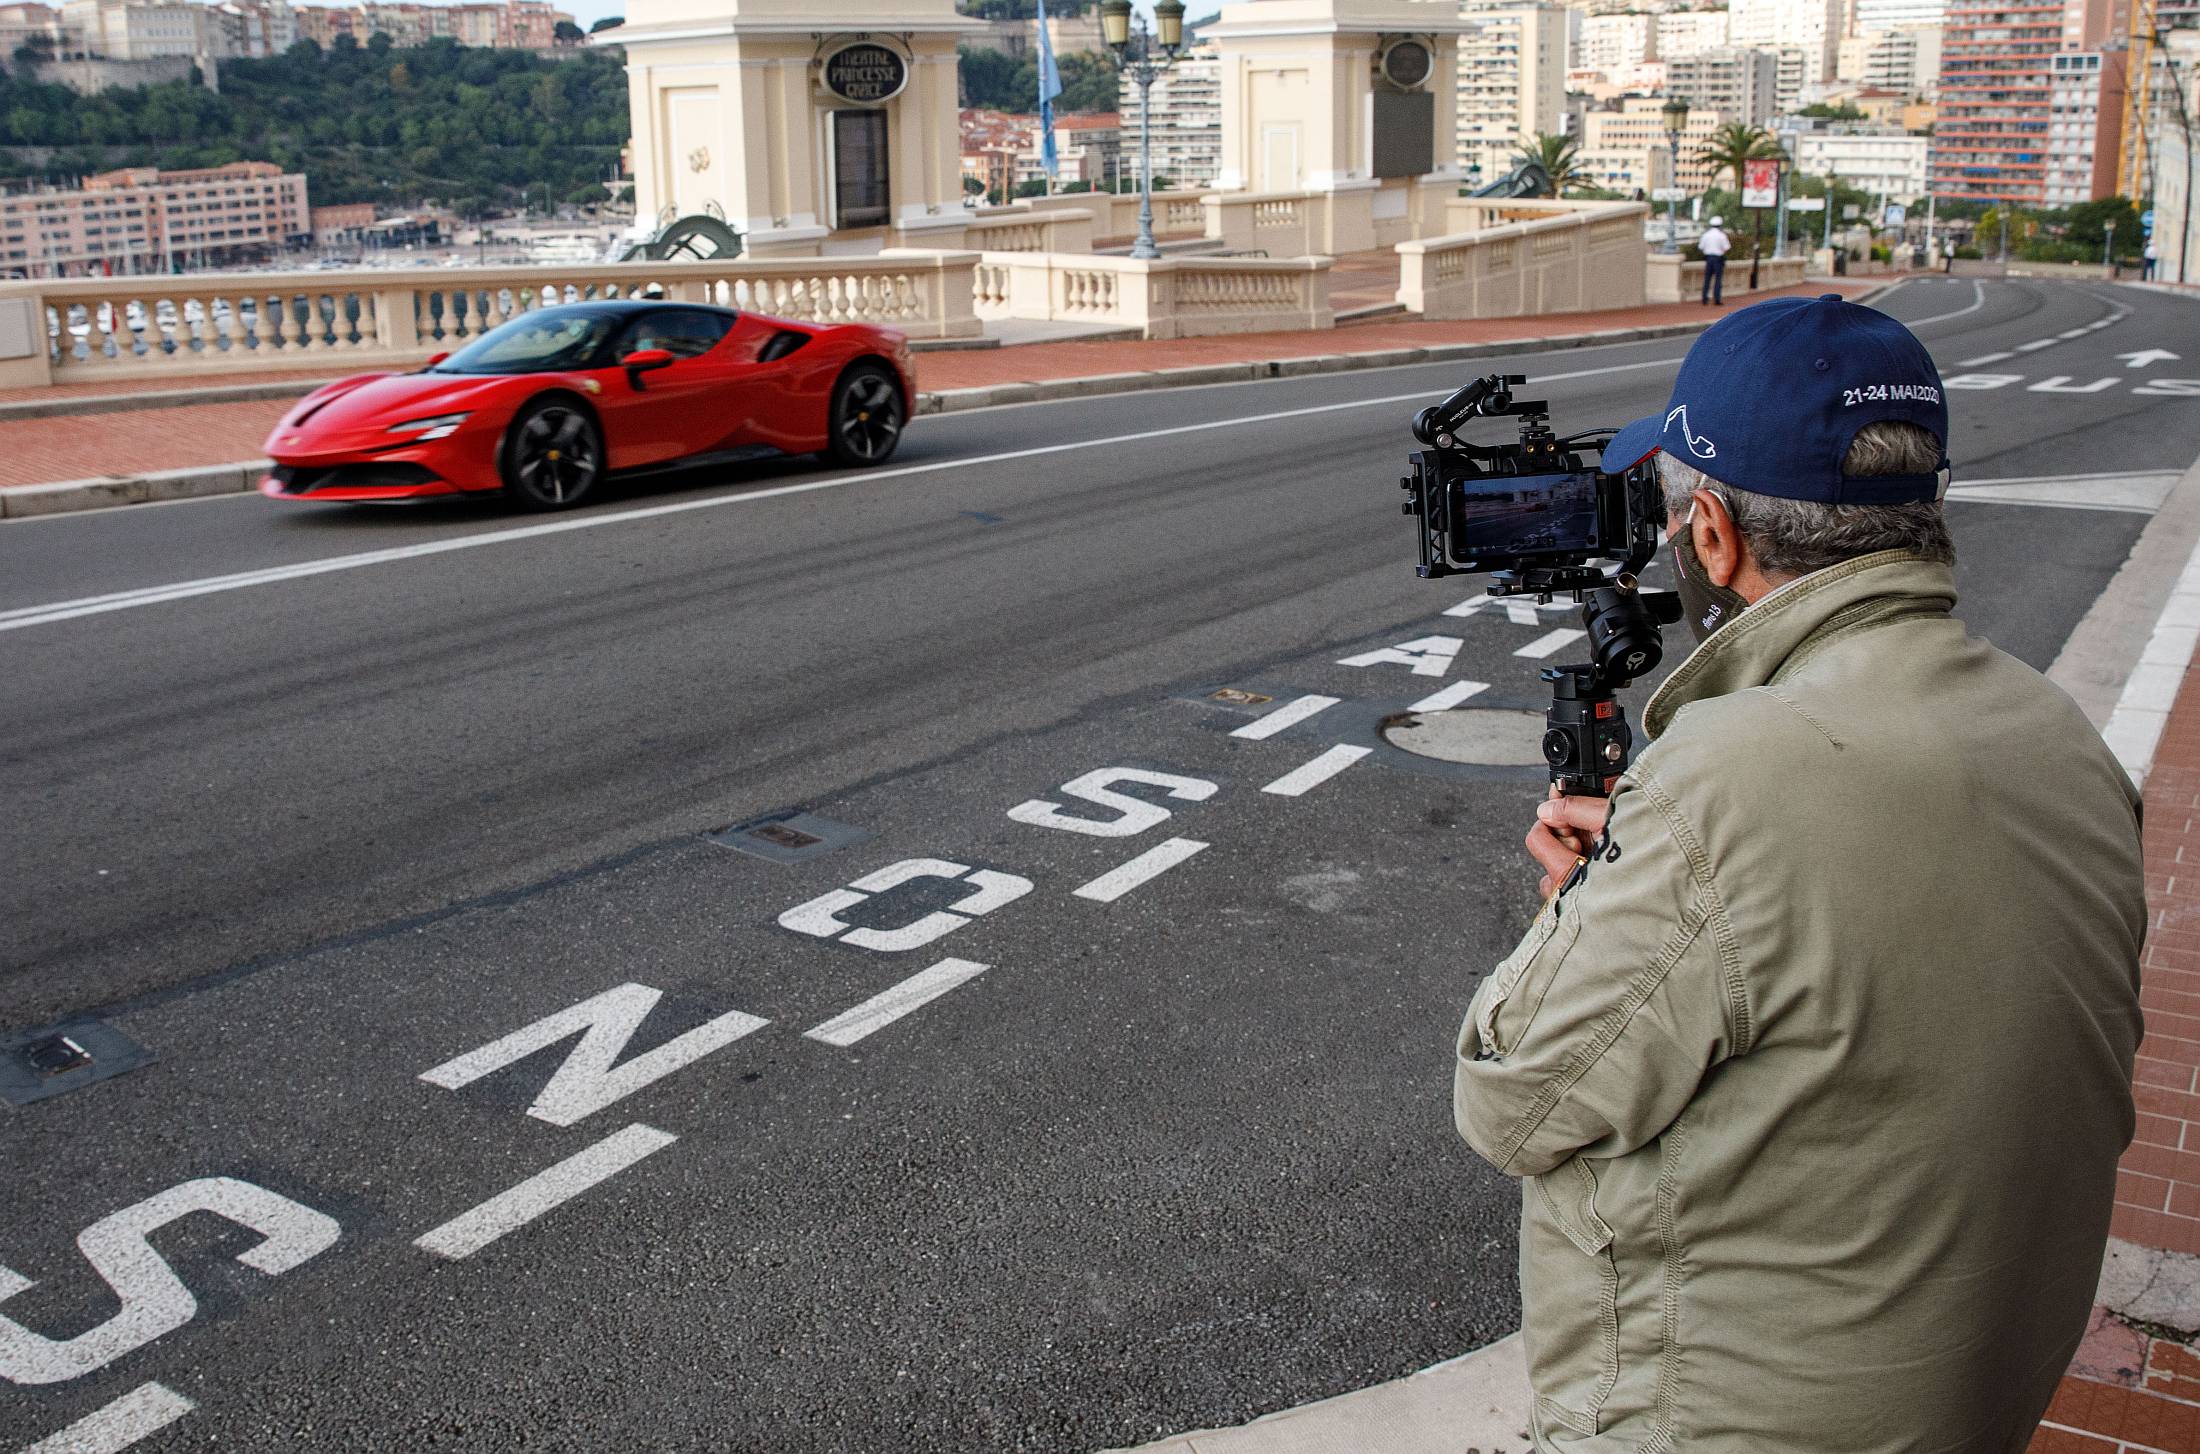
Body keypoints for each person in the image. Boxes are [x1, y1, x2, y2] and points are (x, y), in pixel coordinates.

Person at [1453, 294, 2145, 1452]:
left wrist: (1597, 899)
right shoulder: (2061, 734)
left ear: (1710, 535)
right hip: (1975, 1392)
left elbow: (1510, 1100)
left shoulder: (1722, 781)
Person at [1697, 215, 1731, 304]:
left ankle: (1704, 298)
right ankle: (1717, 299)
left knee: (1707, 279)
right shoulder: (1721, 235)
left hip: (1708, 258)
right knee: (1718, 280)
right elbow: (1726, 247)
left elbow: (1701, 247)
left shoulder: (1706, 235)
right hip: (1718, 259)